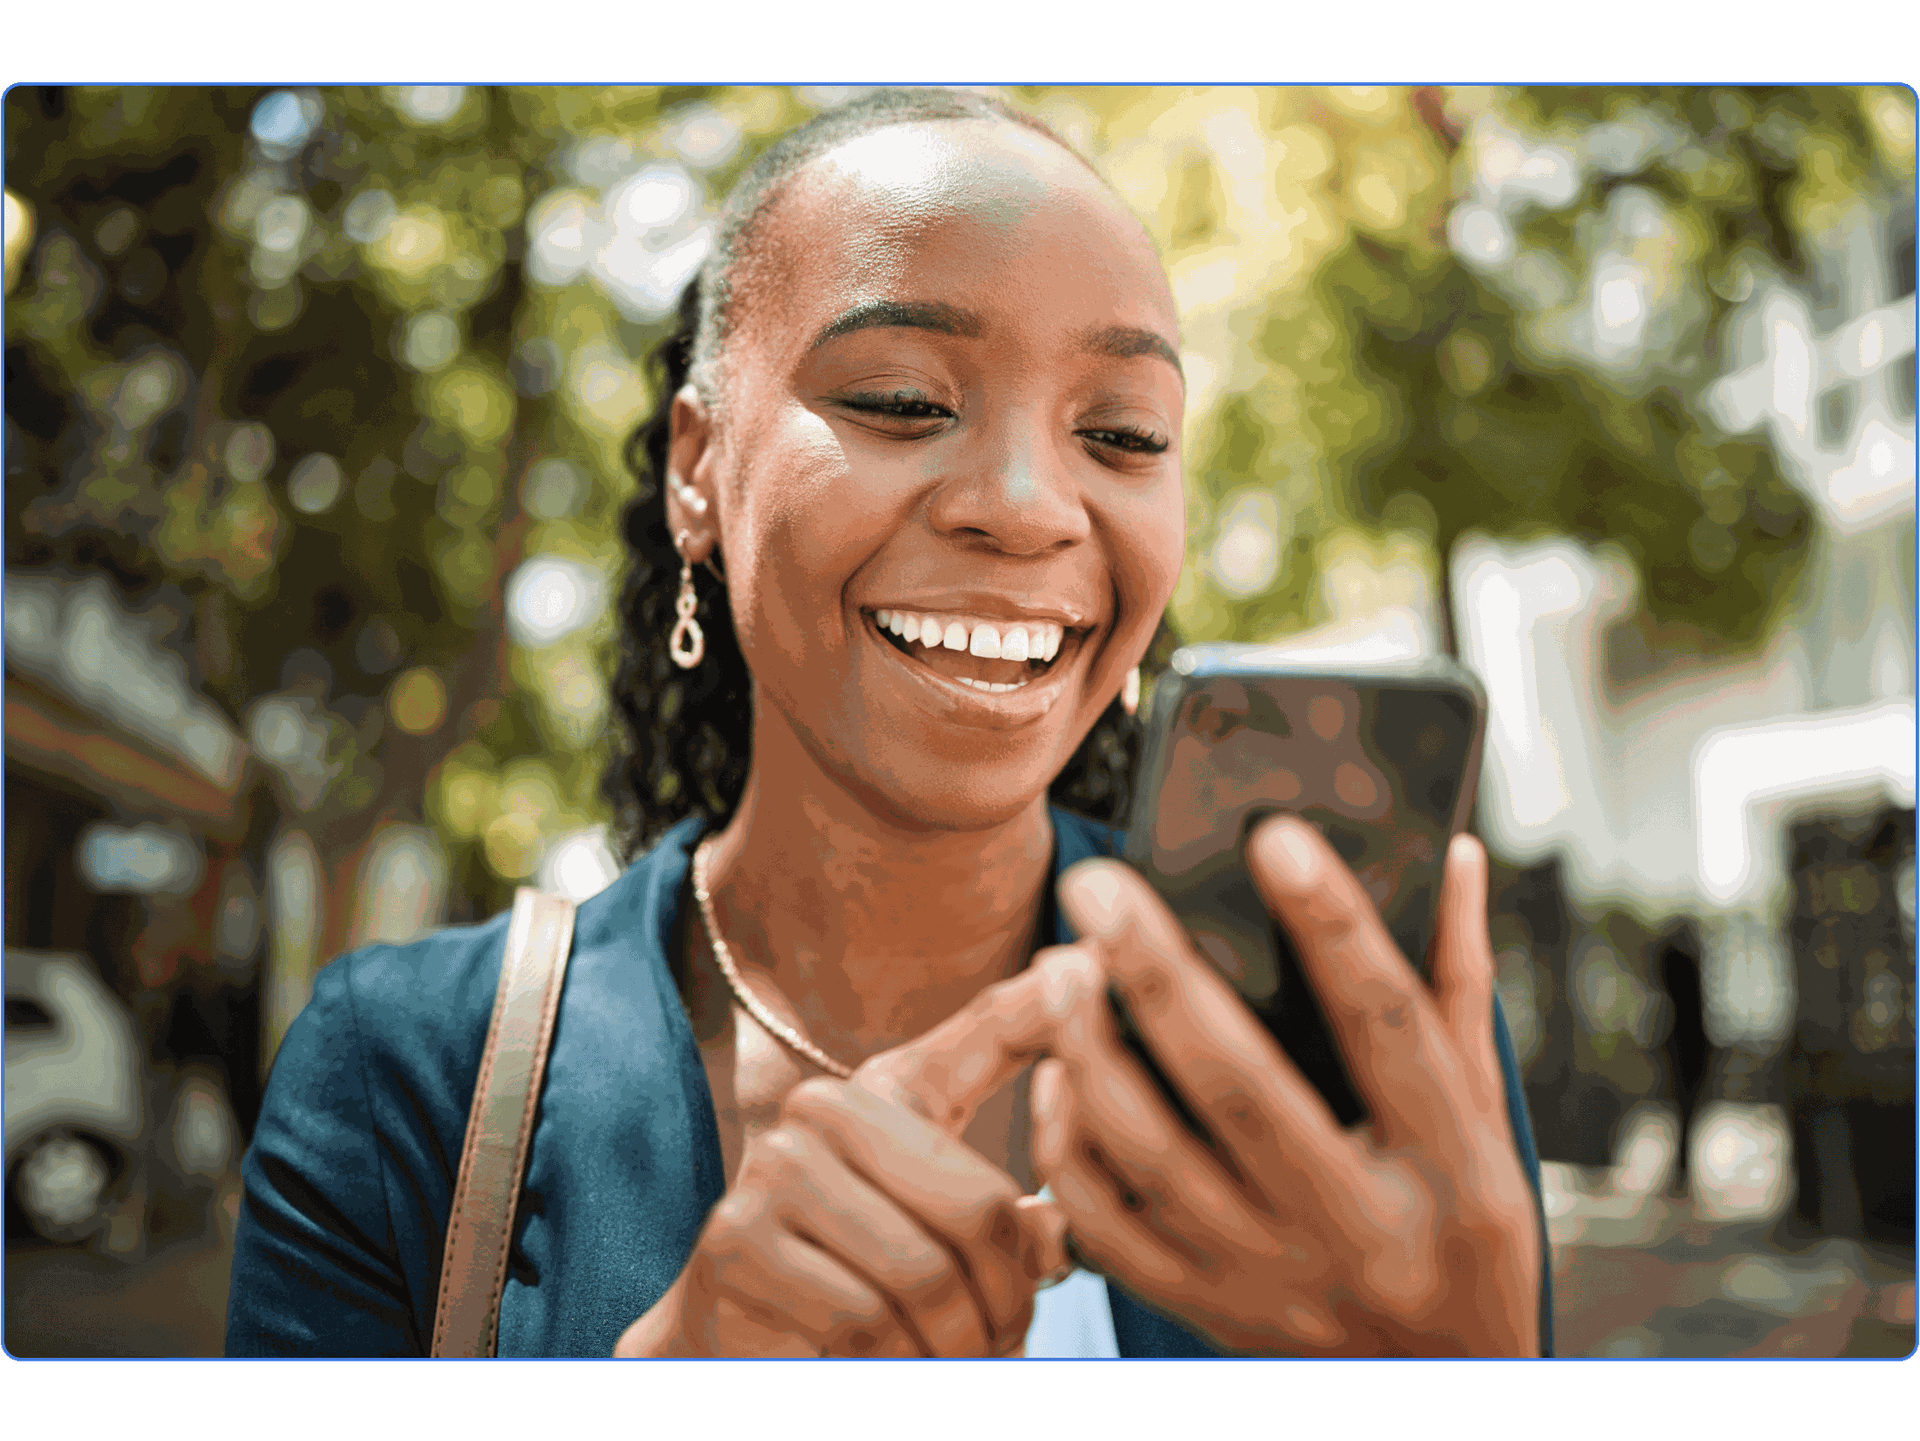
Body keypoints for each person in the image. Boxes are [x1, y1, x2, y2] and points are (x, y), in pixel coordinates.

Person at [226, 87, 1553, 1359]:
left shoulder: (1335, 1047)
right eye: (905, 401)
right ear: (700, 467)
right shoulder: (404, 1077)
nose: (1029, 505)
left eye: (1125, 433)